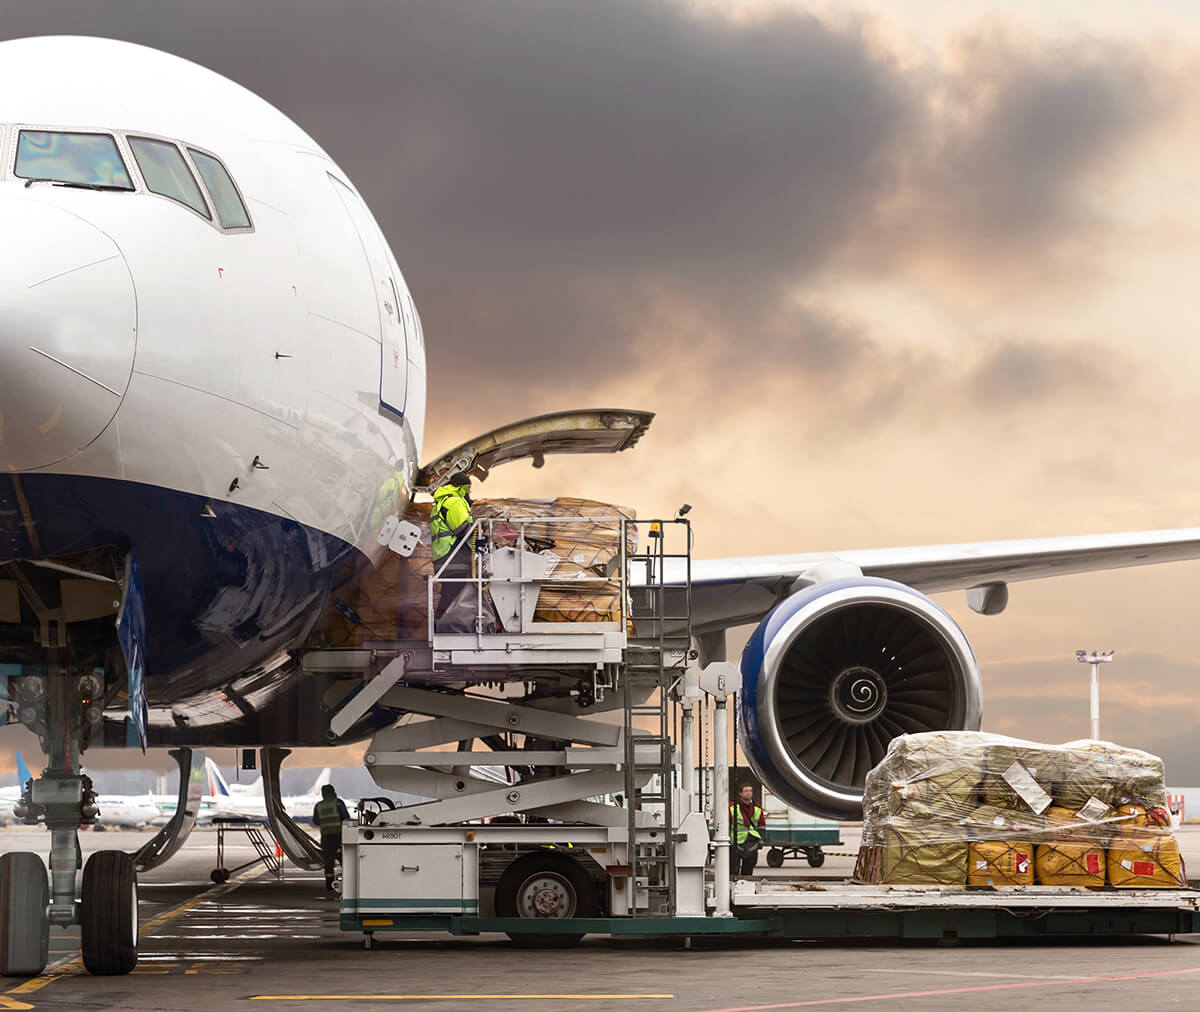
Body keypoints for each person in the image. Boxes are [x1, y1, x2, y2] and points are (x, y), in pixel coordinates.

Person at [430, 472, 475, 625]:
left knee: (450, 592)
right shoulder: (455, 502)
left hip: (445, 556)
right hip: (453, 556)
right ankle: (444, 625)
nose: (469, 492)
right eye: (468, 488)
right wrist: (480, 530)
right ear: (461, 487)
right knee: (455, 593)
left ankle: (441, 622)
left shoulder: (444, 501)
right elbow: (462, 528)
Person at [313, 784, 350, 892]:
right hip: (339, 836)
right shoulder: (338, 803)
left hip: (326, 837)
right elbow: (346, 818)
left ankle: (329, 884)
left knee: (328, 862)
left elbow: (315, 821)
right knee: (345, 860)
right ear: (333, 792)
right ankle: (348, 882)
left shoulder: (318, 806)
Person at [729, 782, 765, 876]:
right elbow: (726, 825)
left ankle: (745, 889)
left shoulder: (757, 808)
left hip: (751, 843)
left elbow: (761, 826)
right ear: (740, 793)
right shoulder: (732, 807)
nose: (749, 793)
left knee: (748, 872)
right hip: (736, 843)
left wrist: (760, 840)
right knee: (733, 871)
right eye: (746, 791)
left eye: (750, 791)